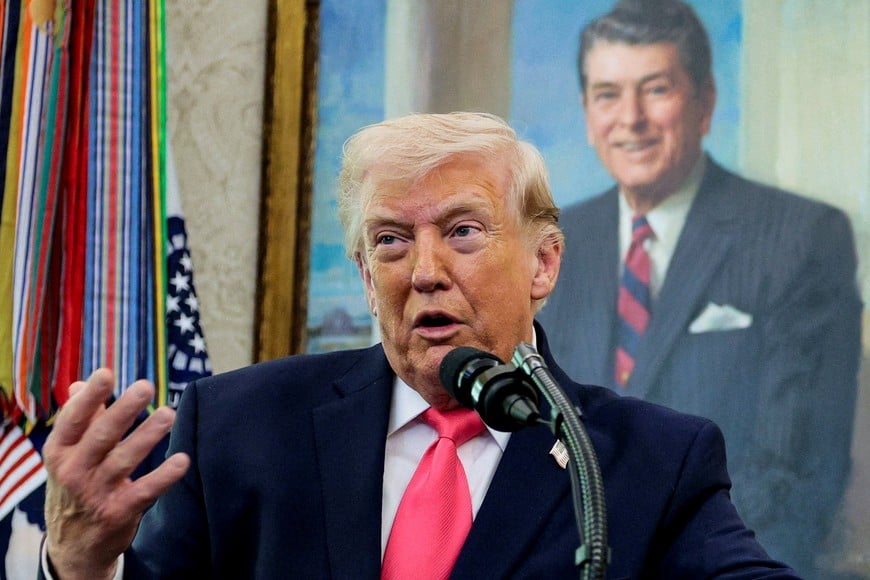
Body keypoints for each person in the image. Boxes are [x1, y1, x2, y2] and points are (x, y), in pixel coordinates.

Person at [40, 112, 798, 578]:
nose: (426, 272)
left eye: (464, 231)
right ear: (368, 278)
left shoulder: (649, 464)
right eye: (392, 241)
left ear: (544, 262)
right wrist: (79, 566)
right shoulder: (239, 428)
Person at [536, 1, 863, 578]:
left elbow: (799, 470)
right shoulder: (553, 242)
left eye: (656, 89)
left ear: (706, 103)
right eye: (608, 94)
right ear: (588, 114)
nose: (630, 118)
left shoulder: (800, 237)